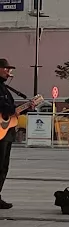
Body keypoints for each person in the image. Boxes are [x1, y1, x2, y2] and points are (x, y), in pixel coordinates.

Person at [0, 59, 35, 209]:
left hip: (6, 133)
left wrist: (26, 108)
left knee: (3, 166)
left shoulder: (5, 88)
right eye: (6, 69)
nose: (8, 72)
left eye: (9, 69)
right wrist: (10, 109)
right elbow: (4, 106)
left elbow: (12, 110)